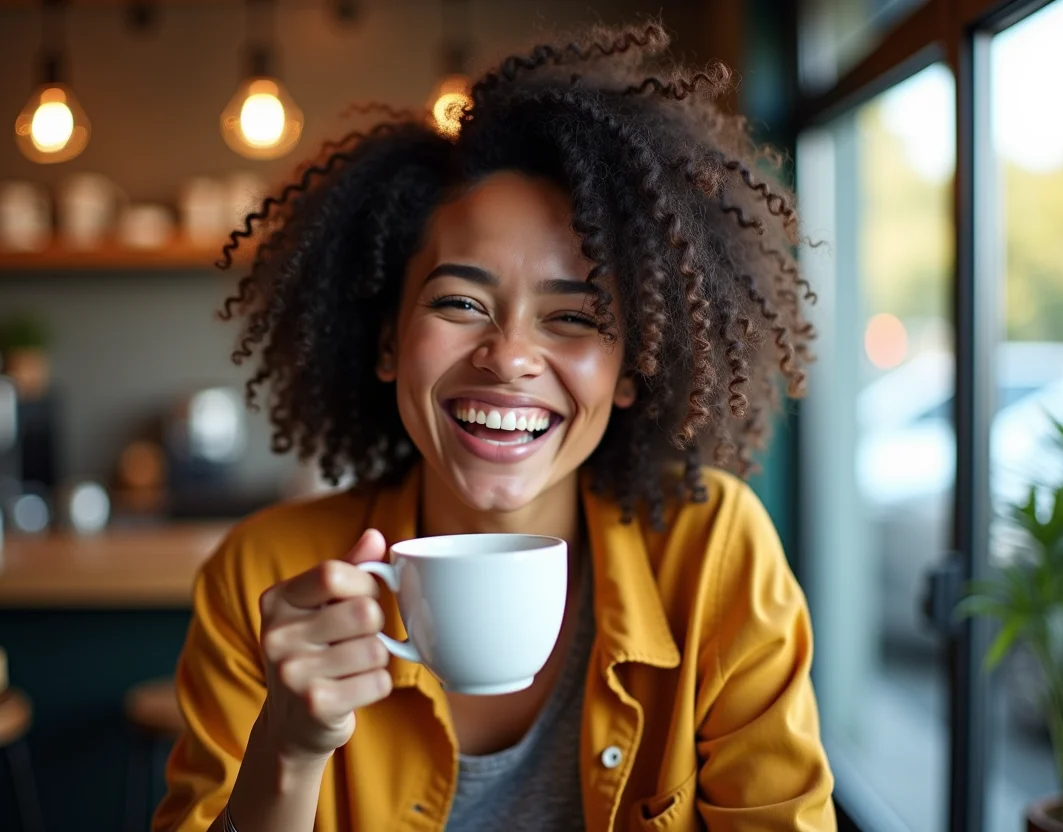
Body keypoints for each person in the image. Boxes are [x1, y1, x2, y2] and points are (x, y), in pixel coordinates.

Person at [153, 20, 834, 832]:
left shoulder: (716, 553)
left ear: (631, 370)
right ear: (386, 341)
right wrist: (289, 753)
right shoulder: (262, 576)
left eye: (575, 317)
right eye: (460, 302)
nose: (509, 357)